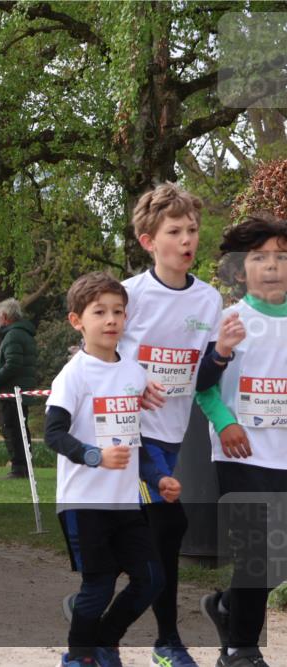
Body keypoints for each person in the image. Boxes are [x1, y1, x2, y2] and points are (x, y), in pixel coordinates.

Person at [119, 183, 243, 667]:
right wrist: (132, 379)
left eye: (192, 229)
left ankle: (99, 614)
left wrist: (223, 353)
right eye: (175, 231)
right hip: (129, 433)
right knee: (171, 525)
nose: (187, 239)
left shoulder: (209, 301)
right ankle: (167, 642)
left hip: (171, 434)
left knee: (148, 536)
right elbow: (95, 354)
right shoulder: (129, 295)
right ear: (150, 241)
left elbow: (203, 379)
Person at [45, 271, 179, 667]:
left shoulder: (134, 373)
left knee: (151, 579)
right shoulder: (73, 375)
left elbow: (136, 440)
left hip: (125, 504)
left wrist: (159, 478)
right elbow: (53, 434)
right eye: (99, 312)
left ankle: (103, 641)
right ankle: (80, 657)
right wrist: (94, 456)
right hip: (83, 502)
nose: (110, 320)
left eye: (118, 311)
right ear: (77, 321)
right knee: (99, 587)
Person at [195, 213, 287, 667]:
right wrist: (224, 421)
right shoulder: (230, 318)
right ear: (240, 267)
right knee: (257, 551)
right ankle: (241, 648)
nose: (272, 265)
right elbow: (202, 382)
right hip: (240, 448)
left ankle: (227, 605)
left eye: (281, 256)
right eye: (259, 256)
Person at [0, 298, 38, 479]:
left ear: (4, 316)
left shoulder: (12, 335)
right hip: (21, 389)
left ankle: (18, 467)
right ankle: (25, 466)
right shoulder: (24, 334)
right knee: (21, 429)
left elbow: (12, 364)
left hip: (11, 391)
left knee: (12, 430)